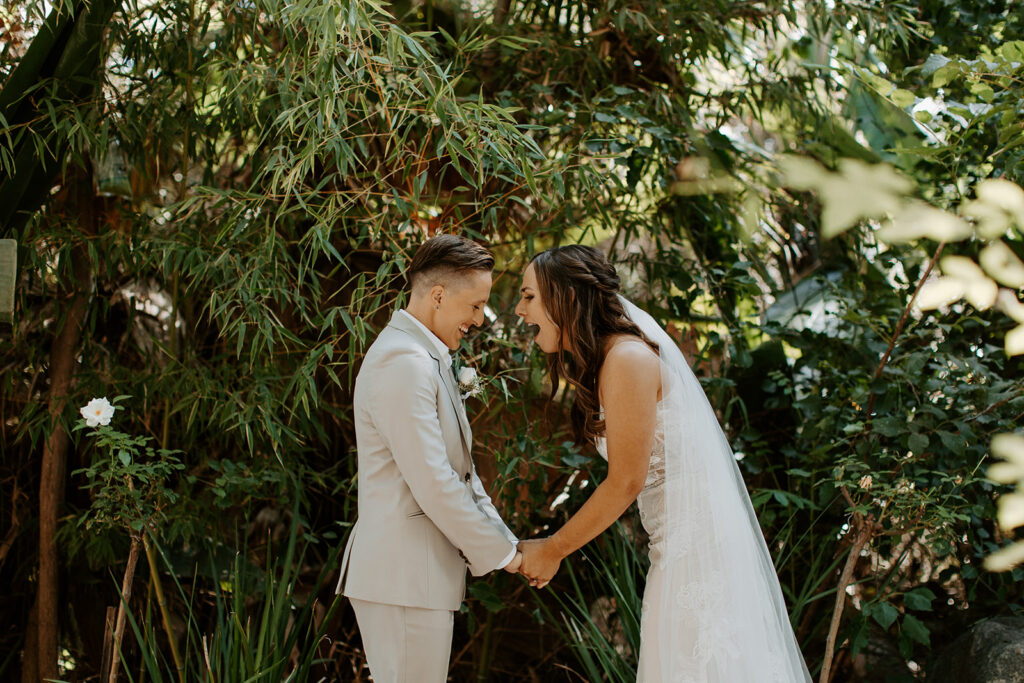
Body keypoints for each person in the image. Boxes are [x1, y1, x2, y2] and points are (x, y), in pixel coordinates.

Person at [514, 245, 812, 682]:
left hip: (696, 562)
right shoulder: (613, 361)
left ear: (567, 299)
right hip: (677, 552)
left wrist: (553, 548)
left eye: (528, 296)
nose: (519, 310)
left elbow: (626, 481)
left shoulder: (627, 359)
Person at [338, 234, 522, 683]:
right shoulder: (403, 363)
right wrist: (509, 557)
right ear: (438, 296)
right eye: (475, 305)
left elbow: (461, 475)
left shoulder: (422, 357)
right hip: (403, 581)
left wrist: (507, 543)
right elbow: (436, 484)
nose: (479, 319)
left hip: (416, 580)